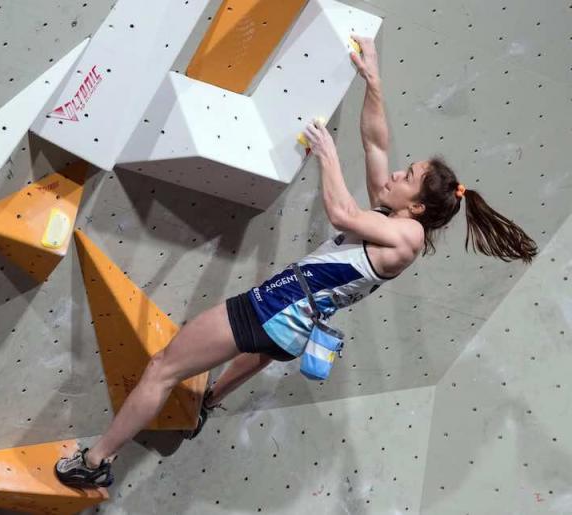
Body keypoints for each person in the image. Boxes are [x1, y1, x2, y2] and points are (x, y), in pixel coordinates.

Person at [54, 36, 538, 488]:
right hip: (293, 325)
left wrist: (327, 153)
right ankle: (209, 402)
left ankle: (97, 462)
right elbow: (375, 144)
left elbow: (341, 211)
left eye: (406, 175)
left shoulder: (405, 236)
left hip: (278, 308)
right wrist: (373, 82)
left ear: (417, 207)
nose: (394, 172)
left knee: (163, 367)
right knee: (248, 357)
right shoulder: (396, 217)